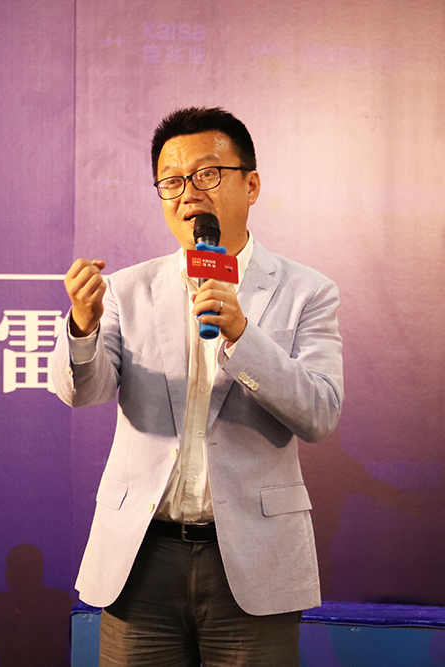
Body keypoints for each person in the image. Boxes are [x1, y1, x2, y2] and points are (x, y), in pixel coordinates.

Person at [51, 107, 343, 666]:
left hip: (253, 558)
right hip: (142, 557)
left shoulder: (307, 291)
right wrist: (82, 327)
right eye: (172, 181)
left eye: (207, 174)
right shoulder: (127, 289)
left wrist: (243, 335)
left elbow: (320, 413)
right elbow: (81, 392)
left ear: (251, 185)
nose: (188, 193)